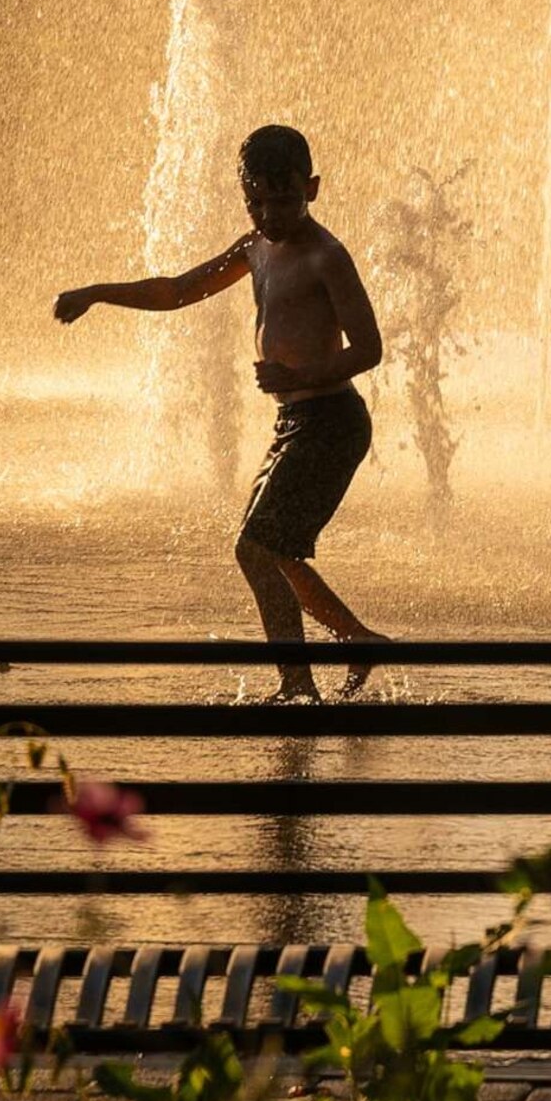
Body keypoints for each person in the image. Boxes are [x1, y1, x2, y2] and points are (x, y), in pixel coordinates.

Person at [55, 124, 389, 699]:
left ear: (312, 188)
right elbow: (177, 290)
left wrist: (298, 376)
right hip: (297, 423)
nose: (268, 214)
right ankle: (357, 643)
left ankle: (297, 685)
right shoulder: (254, 247)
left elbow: (369, 347)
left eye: (281, 199)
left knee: (256, 548)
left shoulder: (326, 257)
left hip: (332, 422)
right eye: (255, 200)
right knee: (275, 550)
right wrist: (96, 293)